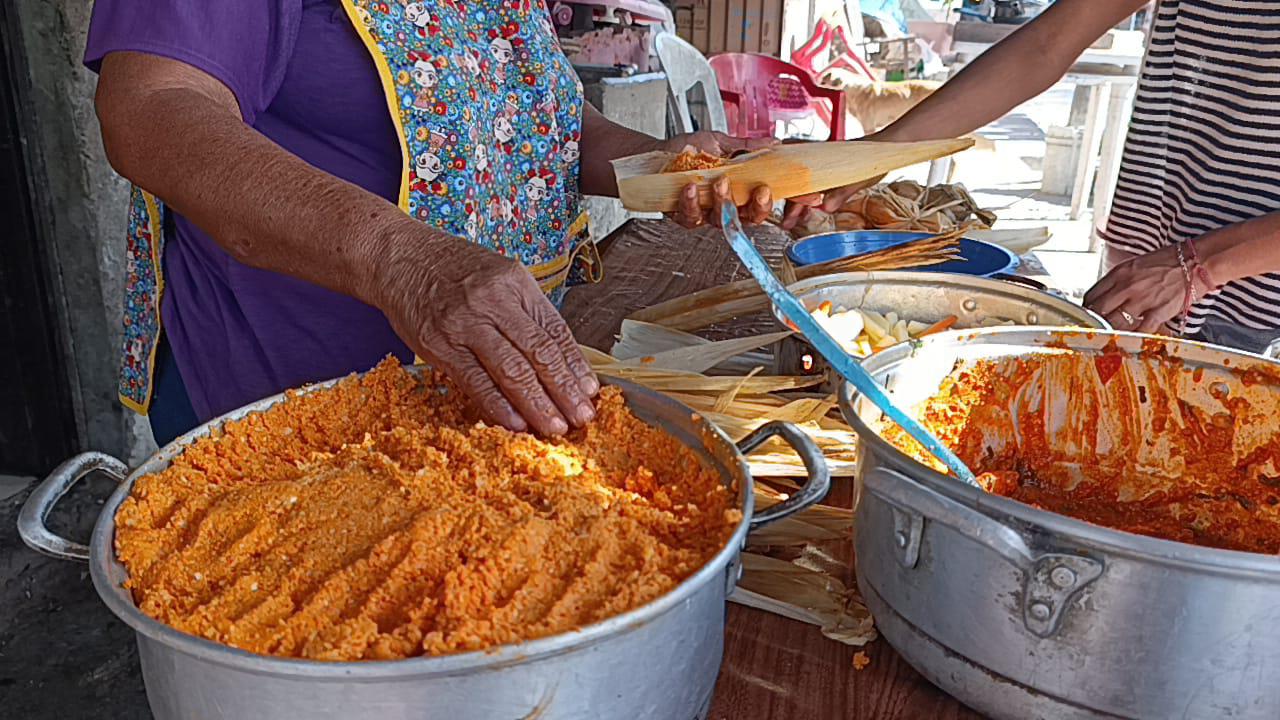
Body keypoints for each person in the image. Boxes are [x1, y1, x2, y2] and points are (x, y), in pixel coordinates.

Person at [85, 0, 776, 446]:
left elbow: (538, 121)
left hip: (474, 396)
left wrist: (669, 164)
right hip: (284, 405)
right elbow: (153, 110)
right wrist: (402, 260)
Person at [803, 0, 1280, 353]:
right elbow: (1046, 46)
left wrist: (1200, 267)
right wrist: (874, 155)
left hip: (1249, 305)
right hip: (1149, 269)